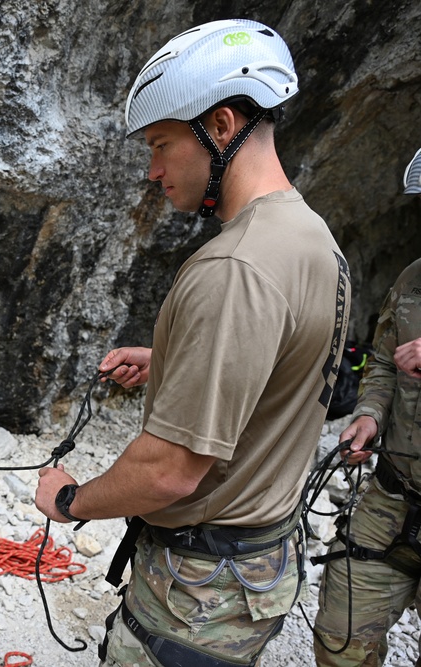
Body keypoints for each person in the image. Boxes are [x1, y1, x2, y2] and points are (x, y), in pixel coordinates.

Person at [34, 19, 351, 667]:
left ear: (224, 126)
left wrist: (70, 499)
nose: (152, 170)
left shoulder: (235, 267)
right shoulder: (312, 237)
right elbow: (285, 364)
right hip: (257, 573)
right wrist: (172, 365)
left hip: (196, 597)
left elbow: (168, 471)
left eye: (161, 144)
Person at [313, 146, 421, 666]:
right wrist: (369, 415)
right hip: (393, 498)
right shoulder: (412, 281)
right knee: (340, 634)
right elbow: (381, 362)